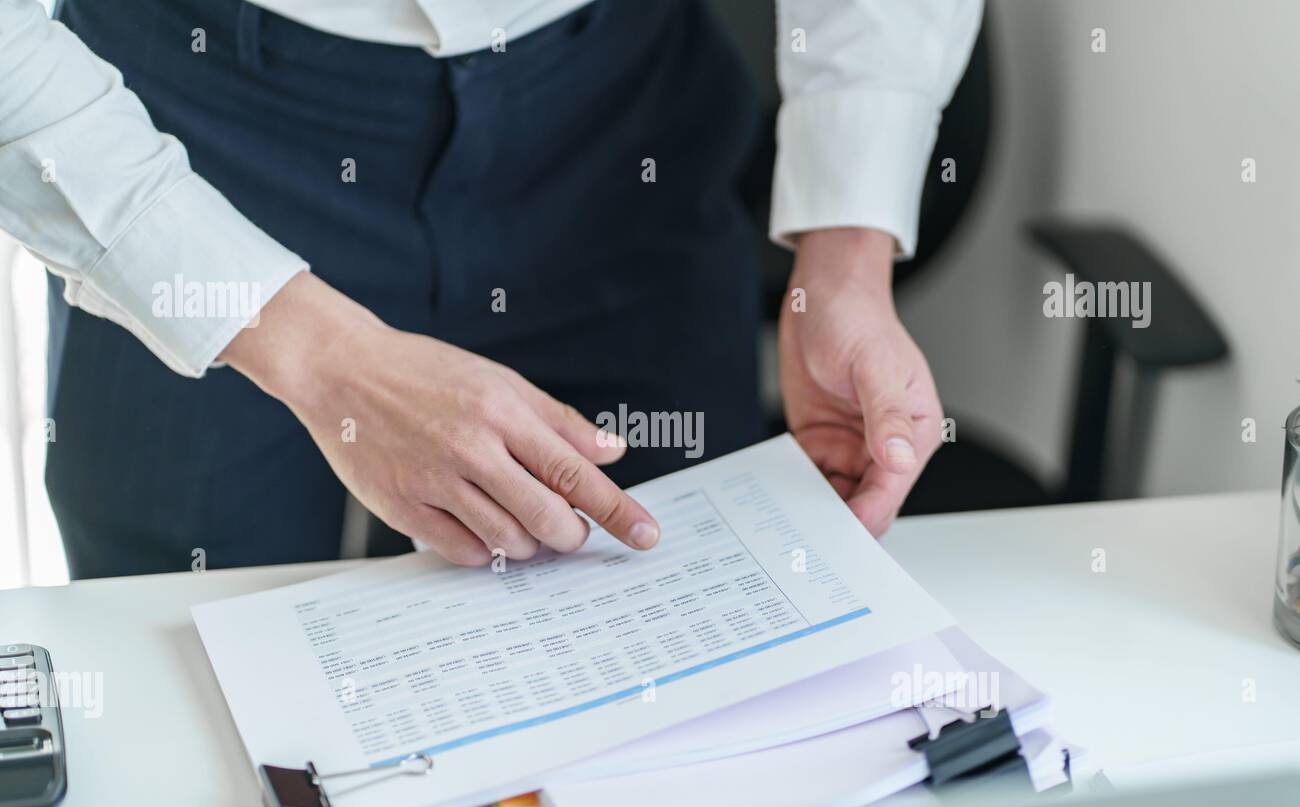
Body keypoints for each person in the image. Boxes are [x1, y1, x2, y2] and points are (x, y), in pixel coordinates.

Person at [0, 0, 982, 578]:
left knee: (655, 628)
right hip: (191, 112)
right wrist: (315, 352)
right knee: (182, 649)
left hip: (616, 110)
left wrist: (846, 260)